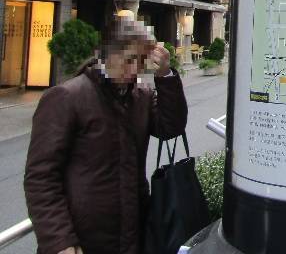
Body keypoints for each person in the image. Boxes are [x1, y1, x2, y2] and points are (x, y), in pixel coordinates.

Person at [25, 16, 188, 254]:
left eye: (142, 61)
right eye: (129, 60)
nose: (134, 70)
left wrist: (164, 74)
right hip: (83, 238)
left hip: (134, 233)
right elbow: (41, 177)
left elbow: (170, 127)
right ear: (105, 54)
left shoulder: (140, 96)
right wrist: (60, 241)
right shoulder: (67, 97)